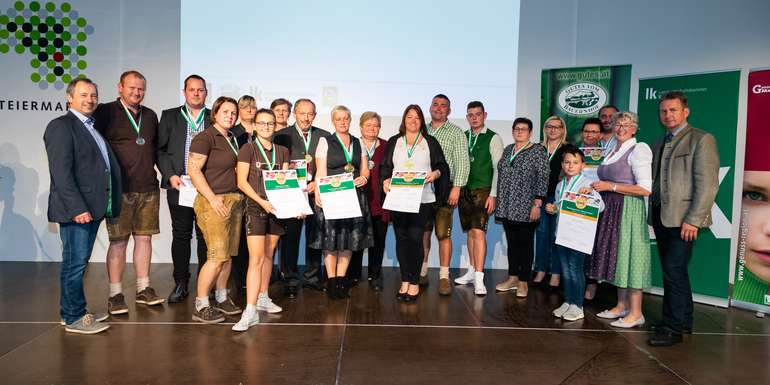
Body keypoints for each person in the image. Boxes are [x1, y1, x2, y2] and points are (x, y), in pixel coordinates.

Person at [44, 78, 122, 334]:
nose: (90, 99)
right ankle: (73, 316)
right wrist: (77, 207)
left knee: (79, 263)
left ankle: (74, 312)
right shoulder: (61, 126)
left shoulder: (90, 126)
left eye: (93, 95)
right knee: (74, 264)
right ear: (70, 98)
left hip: (92, 207)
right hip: (78, 210)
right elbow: (61, 174)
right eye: (84, 95)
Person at [648, 92, 719, 347]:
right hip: (660, 216)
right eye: (664, 111)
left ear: (685, 112)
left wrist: (693, 220)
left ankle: (672, 327)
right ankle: (684, 319)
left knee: (673, 272)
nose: (668, 115)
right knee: (676, 272)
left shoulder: (701, 139)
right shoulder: (658, 142)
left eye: (673, 110)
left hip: (684, 220)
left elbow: (708, 185)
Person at [93, 70, 163, 315]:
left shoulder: (151, 115)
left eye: (141, 88)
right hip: (119, 189)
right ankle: (115, 294)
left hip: (148, 188)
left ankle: (144, 289)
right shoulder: (105, 112)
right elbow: (94, 145)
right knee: (119, 242)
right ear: (120, 87)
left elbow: (156, 150)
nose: (137, 92)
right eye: (132, 88)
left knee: (144, 238)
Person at [589, 111, 652, 329]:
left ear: (635, 128)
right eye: (617, 124)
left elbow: (645, 189)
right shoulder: (611, 148)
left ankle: (636, 313)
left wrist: (611, 187)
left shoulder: (639, 149)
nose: (621, 128)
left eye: (627, 125)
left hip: (628, 209)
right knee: (618, 256)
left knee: (629, 255)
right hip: (611, 208)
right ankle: (621, 305)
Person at [381, 105, 450, 302]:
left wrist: (435, 174)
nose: (413, 120)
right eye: (409, 117)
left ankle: (414, 282)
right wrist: (385, 181)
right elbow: (386, 167)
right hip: (399, 199)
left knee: (415, 238)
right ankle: (404, 280)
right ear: (404, 120)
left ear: (421, 121)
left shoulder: (429, 141)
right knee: (401, 239)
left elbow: (441, 166)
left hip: (421, 199)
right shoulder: (395, 141)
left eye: (417, 117)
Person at [188, 96, 245, 323]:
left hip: (234, 201)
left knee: (227, 255)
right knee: (216, 256)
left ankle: (222, 297)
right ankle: (201, 304)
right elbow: (194, 171)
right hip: (214, 202)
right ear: (215, 113)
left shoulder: (232, 138)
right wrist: (212, 199)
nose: (230, 116)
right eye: (225, 112)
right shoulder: (205, 137)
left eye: (233, 112)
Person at [232, 109, 288, 331]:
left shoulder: (282, 151)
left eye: (270, 123)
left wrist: (294, 206)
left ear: (275, 126)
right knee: (255, 258)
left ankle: (263, 296)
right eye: (262, 123)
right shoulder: (247, 148)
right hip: (255, 207)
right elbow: (241, 182)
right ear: (254, 125)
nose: (266, 127)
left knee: (268, 253)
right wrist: (262, 202)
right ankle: (250, 310)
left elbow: (285, 184)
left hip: (276, 208)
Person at [157, 74, 210, 303]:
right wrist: (170, 176)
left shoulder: (214, 117)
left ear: (206, 92)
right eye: (192, 90)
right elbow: (160, 150)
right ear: (185, 92)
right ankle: (181, 282)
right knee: (181, 235)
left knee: (205, 236)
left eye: (200, 90)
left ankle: (204, 284)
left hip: (207, 187)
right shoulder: (170, 116)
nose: (196, 93)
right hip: (180, 185)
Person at [309, 105, 372, 299]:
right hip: (332, 195)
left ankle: (341, 281)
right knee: (330, 239)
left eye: (346, 118)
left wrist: (364, 178)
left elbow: (364, 169)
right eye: (339, 119)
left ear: (350, 120)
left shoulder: (358, 142)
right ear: (333, 121)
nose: (343, 122)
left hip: (353, 196)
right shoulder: (324, 141)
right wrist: (318, 193)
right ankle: (331, 280)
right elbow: (320, 171)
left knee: (348, 239)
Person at [273, 99, 330, 298]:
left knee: (314, 237)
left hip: (316, 194)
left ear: (314, 115)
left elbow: (329, 166)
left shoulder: (324, 136)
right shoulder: (281, 136)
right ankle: (290, 279)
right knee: (290, 238)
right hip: (291, 195)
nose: (306, 118)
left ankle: (312, 278)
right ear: (294, 113)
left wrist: (318, 182)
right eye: (302, 113)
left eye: (310, 114)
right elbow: (276, 166)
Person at [546, 147, 604, 321]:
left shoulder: (587, 184)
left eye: (575, 162)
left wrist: (590, 194)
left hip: (579, 236)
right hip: (562, 233)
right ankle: (569, 301)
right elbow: (559, 205)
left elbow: (601, 207)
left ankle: (578, 306)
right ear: (562, 165)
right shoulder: (560, 184)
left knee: (575, 268)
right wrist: (553, 208)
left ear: (582, 165)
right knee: (565, 269)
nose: (571, 166)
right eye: (567, 162)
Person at [494, 117, 549, 298]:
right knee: (512, 244)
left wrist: (537, 203)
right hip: (508, 205)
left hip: (527, 206)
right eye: (516, 128)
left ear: (530, 132)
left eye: (523, 129)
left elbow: (543, 177)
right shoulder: (508, 149)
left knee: (525, 245)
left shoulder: (538, 151)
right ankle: (512, 278)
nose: (519, 132)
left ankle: (523, 282)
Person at [421, 94, 470, 295]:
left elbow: (462, 163)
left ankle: (443, 277)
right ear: (430, 107)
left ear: (449, 111)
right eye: (435, 105)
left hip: (445, 189)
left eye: (443, 106)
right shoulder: (421, 130)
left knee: (443, 234)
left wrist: (457, 188)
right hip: (422, 189)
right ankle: (422, 271)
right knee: (424, 232)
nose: (439, 108)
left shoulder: (456, 133)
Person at [453, 101, 503, 296]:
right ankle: (472, 271)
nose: (474, 117)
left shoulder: (493, 138)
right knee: (471, 233)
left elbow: (498, 168)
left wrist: (494, 194)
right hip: (465, 189)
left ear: (485, 115)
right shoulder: (463, 137)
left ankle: (480, 278)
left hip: (483, 190)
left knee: (479, 232)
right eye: (471, 115)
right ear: (467, 117)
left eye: (478, 114)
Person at [349, 111, 389, 291]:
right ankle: (354, 274)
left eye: (376, 125)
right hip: (358, 201)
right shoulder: (352, 145)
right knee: (357, 240)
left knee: (378, 241)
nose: (372, 128)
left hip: (381, 202)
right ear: (361, 126)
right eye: (368, 125)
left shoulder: (387, 146)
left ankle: (375, 275)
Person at [533, 116, 573, 289]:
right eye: (549, 126)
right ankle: (541, 270)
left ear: (563, 129)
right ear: (545, 128)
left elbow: (574, 172)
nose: (553, 130)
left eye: (557, 127)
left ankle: (556, 274)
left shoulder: (568, 149)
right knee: (542, 236)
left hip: (560, 199)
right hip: (539, 198)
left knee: (557, 237)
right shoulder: (537, 149)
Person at [230, 95, 258, 295]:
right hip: (238, 189)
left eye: (253, 107)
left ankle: (254, 276)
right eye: (245, 107)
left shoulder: (262, 132)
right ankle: (240, 279)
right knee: (239, 236)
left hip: (259, 190)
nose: (249, 110)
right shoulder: (233, 133)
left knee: (255, 237)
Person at [578, 117, 604, 300]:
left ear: (601, 134)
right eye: (587, 131)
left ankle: (591, 283)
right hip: (576, 204)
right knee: (577, 244)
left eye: (594, 131)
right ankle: (576, 282)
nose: (590, 134)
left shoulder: (608, 153)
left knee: (594, 246)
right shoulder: (575, 152)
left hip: (597, 203)